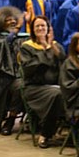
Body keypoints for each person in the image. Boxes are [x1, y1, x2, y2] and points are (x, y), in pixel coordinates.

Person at [19, 15, 66, 149]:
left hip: (56, 86)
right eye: (37, 26)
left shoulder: (56, 45)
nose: (40, 28)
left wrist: (50, 47)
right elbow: (30, 69)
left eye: (43, 26)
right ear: (32, 30)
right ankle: (45, 134)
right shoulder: (27, 47)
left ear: (48, 29)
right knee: (57, 94)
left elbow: (63, 62)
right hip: (35, 88)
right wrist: (45, 50)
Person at [0, 6, 26, 135]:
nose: (12, 22)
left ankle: (15, 119)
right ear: (1, 23)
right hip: (2, 76)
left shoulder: (24, 38)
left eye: (14, 19)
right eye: (8, 20)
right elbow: (1, 49)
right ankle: (6, 120)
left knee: (23, 86)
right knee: (12, 87)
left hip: (21, 74)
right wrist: (16, 29)